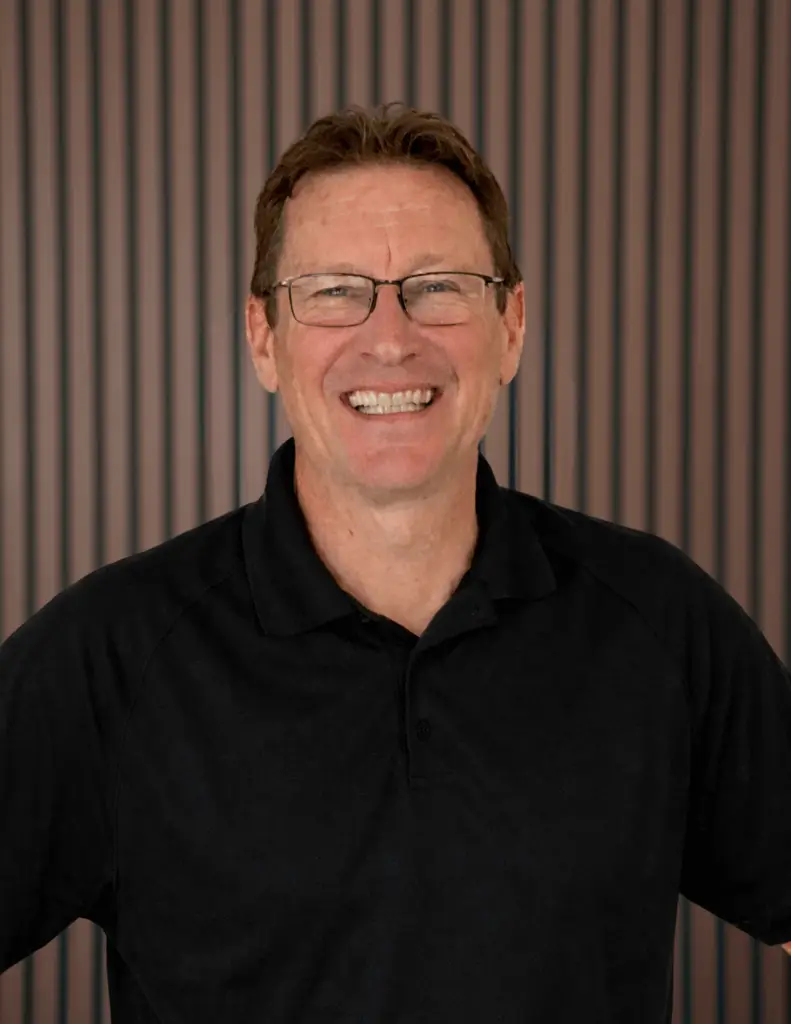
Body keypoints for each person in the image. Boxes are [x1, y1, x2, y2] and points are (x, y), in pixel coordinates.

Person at [1, 103, 790, 1024]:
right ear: (263, 338)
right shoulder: (111, 655)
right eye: (334, 290)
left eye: (438, 285)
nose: (388, 338)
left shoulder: (659, 622)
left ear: (511, 326)